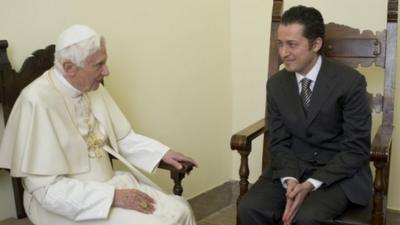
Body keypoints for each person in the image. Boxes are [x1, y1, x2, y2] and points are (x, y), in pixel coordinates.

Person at [0, 24, 198, 225]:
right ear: (69, 67)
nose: (107, 71)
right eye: (98, 65)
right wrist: (113, 197)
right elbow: (46, 190)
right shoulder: (36, 101)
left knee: (180, 210)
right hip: (63, 204)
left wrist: (162, 153)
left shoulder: (90, 86)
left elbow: (121, 137)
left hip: (110, 184)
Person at [238, 5, 372, 225]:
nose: (283, 53)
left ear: (316, 44)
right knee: (250, 207)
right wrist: (290, 180)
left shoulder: (350, 82)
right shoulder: (276, 85)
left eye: (292, 45)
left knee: (307, 218)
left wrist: (310, 184)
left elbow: (356, 149)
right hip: (293, 166)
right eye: (280, 44)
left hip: (338, 173)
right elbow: (279, 141)